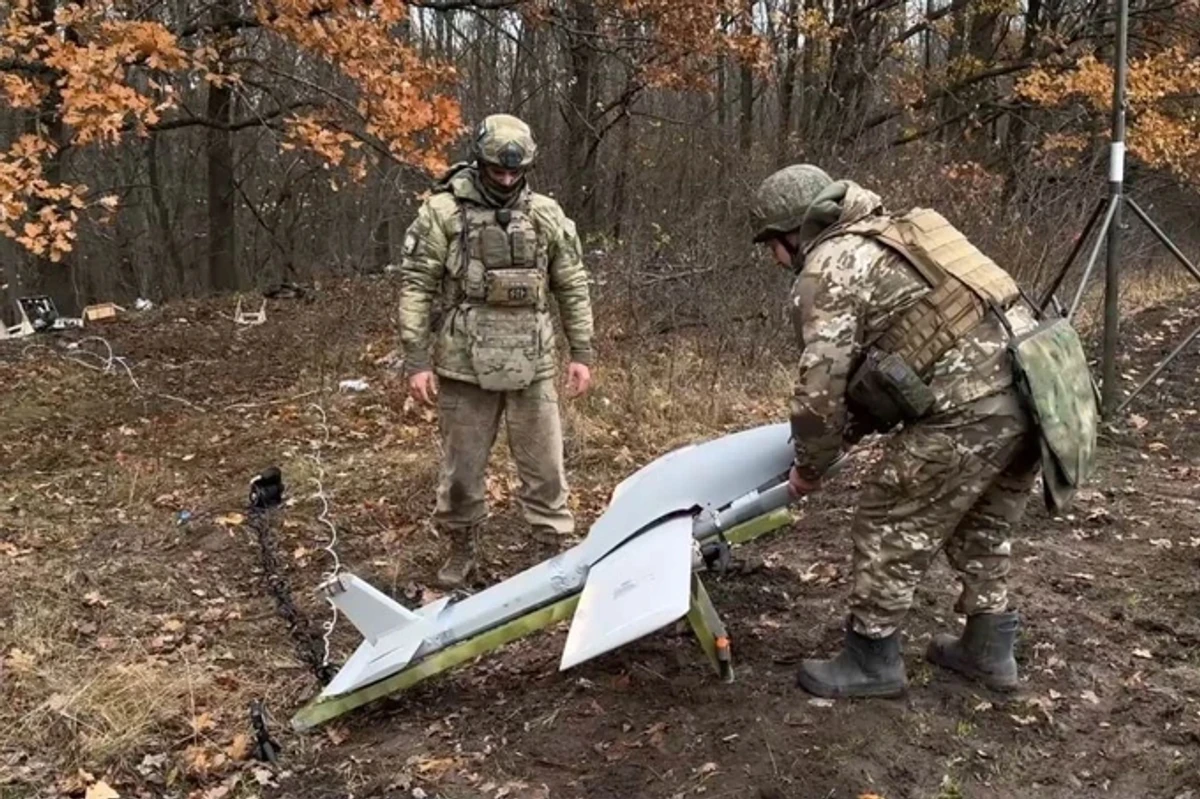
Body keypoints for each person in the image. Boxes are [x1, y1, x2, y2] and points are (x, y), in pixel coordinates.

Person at [749, 163, 1055, 698]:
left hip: (971, 406)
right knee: (982, 521)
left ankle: (872, 660)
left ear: (794, 233)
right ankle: (989, 649)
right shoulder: (905, 232)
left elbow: (819, 392)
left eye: (772, 245)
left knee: (887, 515)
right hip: (1037, 392)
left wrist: (809, 467)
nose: (775, 260)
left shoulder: (830, 266)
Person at [398, 114, 595, 588]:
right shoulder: (442, 213)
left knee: (545, 467)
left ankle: (550, 549)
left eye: (514, 172)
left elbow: (571, 284)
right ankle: (460, 549)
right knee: (462, 470)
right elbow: (417, 285)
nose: (505, 179)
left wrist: (582, 350)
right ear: (480, 161)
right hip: (464, 363)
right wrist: (416, 359)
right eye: (497, 170)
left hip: (533, 359)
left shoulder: (546, 214)